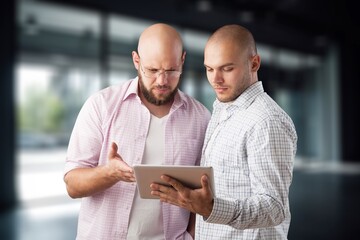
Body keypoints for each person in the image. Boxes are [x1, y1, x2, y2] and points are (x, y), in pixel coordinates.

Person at [63, 23, 211, 240]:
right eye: (152, 70)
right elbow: (72, 185)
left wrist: (192, 234)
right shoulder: (101, 106)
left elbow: (204, 190)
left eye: (171, 70)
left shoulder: (201, 117)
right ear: (136, 61)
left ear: (182, 60)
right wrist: (109, 173)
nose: (162, 81)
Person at [150, 24, 298, 239]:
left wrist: (211, 208)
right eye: (209, 69)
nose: (216, 80)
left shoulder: (266, 121)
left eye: (227, 69)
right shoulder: (223, 109)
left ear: (254, 63)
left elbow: (274, 207)